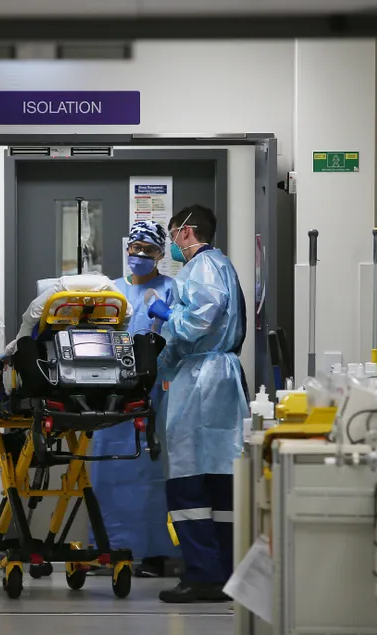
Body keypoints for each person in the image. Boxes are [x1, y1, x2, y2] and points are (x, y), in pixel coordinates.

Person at [145, 205, 248, 603]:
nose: (172, 244)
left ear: (186, 233)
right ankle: (225, 574)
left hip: (201, 381)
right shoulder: (221, 265)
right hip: (218, 378)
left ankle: (203, 575)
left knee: (189, 480)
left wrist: (166, 315)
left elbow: (199, 320)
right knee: (221, 479)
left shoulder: (202, 267)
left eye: (172, 235)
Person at [88, 221, 179, 577]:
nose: (140, 255)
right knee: (106, 473)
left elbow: (179, 338)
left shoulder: (172, 290)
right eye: (135, 248)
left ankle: (155, 553)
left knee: (151, 476)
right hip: (109, 398)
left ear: (160, 255)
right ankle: (106, 549)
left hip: (154, 396)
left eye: (149, 250)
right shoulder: (110, 292)